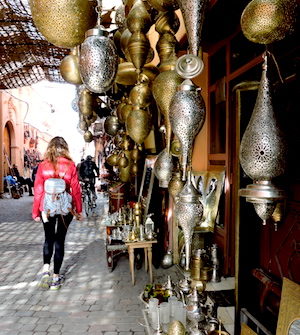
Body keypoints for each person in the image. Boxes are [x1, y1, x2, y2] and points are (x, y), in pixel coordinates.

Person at [32, 136, 82, 290]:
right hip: (65, 209)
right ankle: (55, 278)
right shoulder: (71, 165)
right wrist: (78, 210)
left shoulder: (43, 165)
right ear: (65, 148)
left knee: (48, 238)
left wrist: (36, 212)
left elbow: (38, 190)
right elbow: (76, 190)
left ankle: (46, 269)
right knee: (59, 240)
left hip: (46, 209)